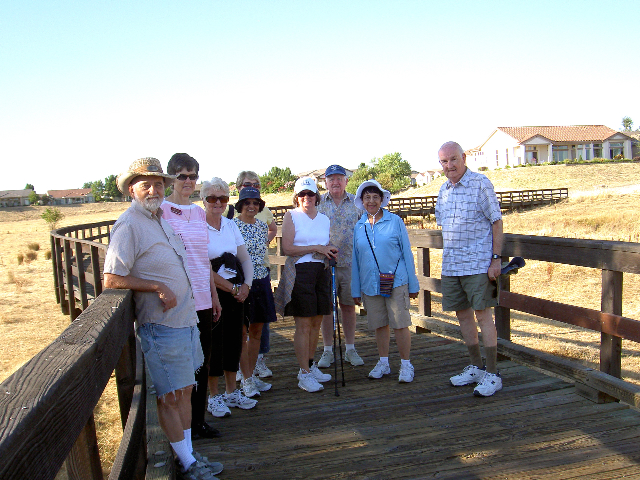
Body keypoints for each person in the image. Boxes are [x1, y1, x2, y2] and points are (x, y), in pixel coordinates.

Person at [104, 158, 223, 479]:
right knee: (171, 396)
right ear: (132, 189)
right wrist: (155, 286)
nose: (154, 189)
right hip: (161, 325)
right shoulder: (129, 225)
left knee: (184, 390)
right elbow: (112, 278)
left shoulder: (159, 220)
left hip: (184, 321)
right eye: (146, 184)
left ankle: (188, 457)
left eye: (158, 183)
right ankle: (187, 464)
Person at [435, 141, 504, 397]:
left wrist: (496, 259)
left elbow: (496, 222)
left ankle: (493, 373)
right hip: (452, 265)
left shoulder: (480, 183)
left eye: (453, 159)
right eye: (444, 161)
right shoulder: (443, 190)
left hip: (478, 263)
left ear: (463, 157)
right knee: (463, 316)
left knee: (483, 315)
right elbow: (444, 226)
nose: (449, 165)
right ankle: (476, 366)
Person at [161, 153, 222, 441]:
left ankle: (198, 422)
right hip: (178, 303)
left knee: (203, 364)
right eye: (182, 175)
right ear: (171, 178)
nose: (188, 181)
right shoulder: (160, 210)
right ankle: (181, 430)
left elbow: (204, 259)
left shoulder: (199, 212)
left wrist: (215, 297)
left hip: (203, 299)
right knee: (183, 369)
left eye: (193, 176)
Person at [351, 179, 419, 383]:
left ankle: (406, 364)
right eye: (367, 197)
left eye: (375, 197)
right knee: (379, 325)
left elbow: (407, 252)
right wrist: (356, 289)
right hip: (370, 283)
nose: (371, 201)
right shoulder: (359, 226)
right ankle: (383, 362)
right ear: (361, 201)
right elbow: (355, 259)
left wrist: (413, 284)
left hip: (396, 281)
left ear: (382, 199)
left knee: (400, 324)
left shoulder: (395, 221)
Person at [275, 177, 337, 392]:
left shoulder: (324, 219)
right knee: (303, 324)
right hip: (301, 272)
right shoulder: (291, 216)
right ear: (296, 197)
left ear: (316, 196)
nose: (306, 198)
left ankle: (310, 365)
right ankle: (303, 373)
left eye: (310, 194)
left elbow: (324, 245)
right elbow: (289, 248)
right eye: (302, 194)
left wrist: (328, 249)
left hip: (321, 272)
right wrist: (317, 247)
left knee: (316, 321)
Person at [203, 177, 258, 417]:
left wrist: (246, 285)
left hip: (237, 294)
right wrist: (231, 288)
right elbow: (202, 266)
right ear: (203, 200)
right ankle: (213, 396)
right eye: (212, 198)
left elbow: (244, 257)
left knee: (235, 340)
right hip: (214, 294)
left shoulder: (230, 225)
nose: (217, 202)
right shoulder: (197, 227)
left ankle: (231, 391)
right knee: (215, 344)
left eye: (222, 198)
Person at [316, 164, 364, 368]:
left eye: (339, 178)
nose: (335, 182)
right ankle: (327, 350)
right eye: (331, 178)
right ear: (325, 182)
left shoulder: (357, 202)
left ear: (346, 180)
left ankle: (350, 349)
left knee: (348, 307)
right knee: (327, 309)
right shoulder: (317, 203)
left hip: (351, 265)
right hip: (323, 265)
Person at [233, 187, 277, 397]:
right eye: (247, 202)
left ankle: (251, 375)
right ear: (241, 205)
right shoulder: (232, 226)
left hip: (261, 280)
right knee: (242, 333)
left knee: (257, 331)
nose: (252, 206)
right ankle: (245, 379)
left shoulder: (261, 226)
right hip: (242, 284)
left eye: (255, 203)